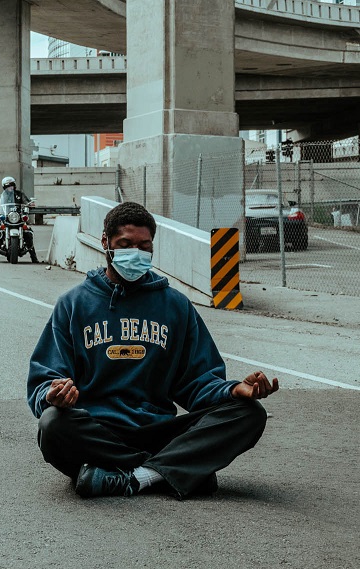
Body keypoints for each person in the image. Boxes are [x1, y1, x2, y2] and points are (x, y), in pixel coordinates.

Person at [26, 201, 278, 500]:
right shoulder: (73, 304)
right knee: (52, 425)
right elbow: (45, 379)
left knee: (248, 415)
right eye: (126, 244)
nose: (136, 253)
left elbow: (197, 383)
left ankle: (136, 478)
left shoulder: (175, 306)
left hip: (158, 431)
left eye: (144, 246)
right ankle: (172, 471)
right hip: (98, 432)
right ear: (105, 242)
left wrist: (235, 390)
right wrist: (52, 395)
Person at [0, 176, 33, 262]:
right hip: (6, 218)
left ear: (14, 185)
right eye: (8, 186)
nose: (10, 187)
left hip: (18, 218)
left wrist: (30, 204)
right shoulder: (2, 196)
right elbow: (0, 207)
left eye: (11, 185)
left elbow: (26, 201)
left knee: (28, 233)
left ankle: (34, 256)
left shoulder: (19, 194)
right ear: (4, 187)